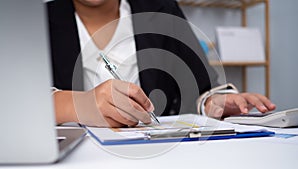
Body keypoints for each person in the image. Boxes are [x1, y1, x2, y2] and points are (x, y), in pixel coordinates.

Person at [47, 0, 276, 127]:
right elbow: (18, 103)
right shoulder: (37, 19)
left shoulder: (163, 9)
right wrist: (76, 104)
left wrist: (214, 102)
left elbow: (202, 85)